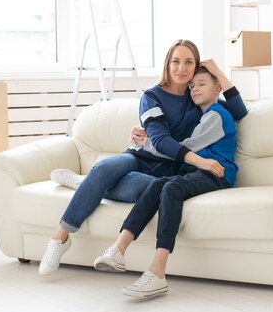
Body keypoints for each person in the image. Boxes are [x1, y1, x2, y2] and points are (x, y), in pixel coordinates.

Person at [38, 39, 247, 276]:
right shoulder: (152, 96)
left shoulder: (197, 95)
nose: (182, 68)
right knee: (103, 170)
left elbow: (239, 110)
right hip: (141, 156)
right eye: (176, 61)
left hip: (168, 169)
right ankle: (59, 239)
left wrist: (218, 72)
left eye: (189, 62)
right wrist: (193, 159)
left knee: (149, 192)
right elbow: (158, 140)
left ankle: (85, 184)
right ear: (167, 64)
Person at [92, 66, 238, 298]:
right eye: (192, 86)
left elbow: (185, 147)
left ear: (217, 88)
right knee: (155, 185)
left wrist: (147, 143)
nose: (195, 89)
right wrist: (149, 138)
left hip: (218, 173)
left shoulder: (217, 115)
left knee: (171, 188)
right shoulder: (203, 115)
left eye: (202, 84)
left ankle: (158, 271)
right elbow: (178, 145)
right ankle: (118, 249)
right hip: (195, 172)